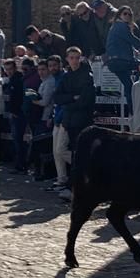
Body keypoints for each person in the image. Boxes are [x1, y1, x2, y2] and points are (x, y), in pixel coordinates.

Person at [51, 46, 96, 192]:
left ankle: (77, 183)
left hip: (82, 121)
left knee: (77, 152)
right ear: (67, 59)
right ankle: (78, 178)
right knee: (62, 150)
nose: (75, 61)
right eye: (72, 58)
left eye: (77, 58)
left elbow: (85, 101)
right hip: (68, 120)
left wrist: (68, 103)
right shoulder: (66, 77)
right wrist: (72, 97)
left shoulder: (87, 76)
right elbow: (57, 97)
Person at [106, 5, 140, 111]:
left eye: (129, 14)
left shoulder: (114, 27)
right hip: (121, 61)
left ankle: (132, 111)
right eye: (125, 13)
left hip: (113, 63)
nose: (127, 16)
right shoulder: (121, 26)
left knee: (128, 85)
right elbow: (133, 40)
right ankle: (135, 106)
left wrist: (134, 50)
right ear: (119, 15)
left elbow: (123, 42)